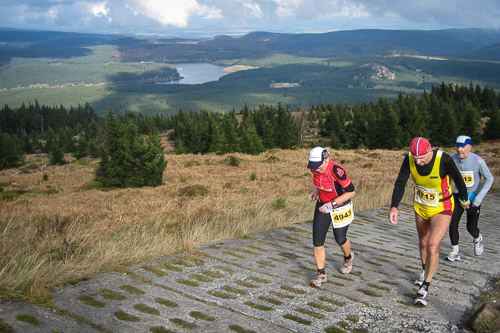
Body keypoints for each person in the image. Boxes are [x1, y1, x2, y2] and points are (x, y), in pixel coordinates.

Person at [389, 137, 469, 306]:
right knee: (424, 242)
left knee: (433, 246)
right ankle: (425, 270)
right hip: (421, 206)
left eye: (421, 158)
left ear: (429, 151)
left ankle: (425, 286)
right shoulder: (409, 159)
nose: (418, 162)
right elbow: (400, 183)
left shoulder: (444, 159)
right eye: (415, 158)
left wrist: (464, 199)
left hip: (442, 207)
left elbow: (459, 181)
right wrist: (394, 207)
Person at [307, 147, 356, 287]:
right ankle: (321, 274)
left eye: (319, 166)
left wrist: (332, 204)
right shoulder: (314, 168)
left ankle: (348, 257)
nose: (316, 170)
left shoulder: (336, 171)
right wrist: (316, 190)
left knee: (339, 238)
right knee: (317, 241)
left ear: (326, 159)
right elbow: (322, 182)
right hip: (323, 205)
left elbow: (351, 191)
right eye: (313, 167)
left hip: (340, 205)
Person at [446, 135, 494, 261]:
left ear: (470, 148)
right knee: (452, 223)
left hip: (473, 196)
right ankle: (455, 250)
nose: (459, 150)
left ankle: (477, 238)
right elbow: (447, 178)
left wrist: (479, 198)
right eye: (457, 147)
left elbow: (489, 179)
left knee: (470, 227)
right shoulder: (452, 159)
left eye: (462, 147)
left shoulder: (478, 161)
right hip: (457, 195)